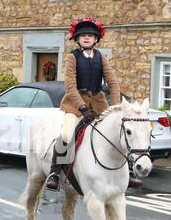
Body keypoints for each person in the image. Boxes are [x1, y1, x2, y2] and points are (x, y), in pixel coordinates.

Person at [46, 17, 142, 191]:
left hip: (99, 104)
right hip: (75, 106)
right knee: (67, 135)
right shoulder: (72, 58)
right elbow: (70, 86)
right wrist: (82, 107)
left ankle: (128, 170)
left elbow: (112, 83)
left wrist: (117, 107)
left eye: (90, 35)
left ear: (96, 39)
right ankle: (55, 172)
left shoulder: (101, 57)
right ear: (77, 39)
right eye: (83, 36)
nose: (87, 38)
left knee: (118, 133)